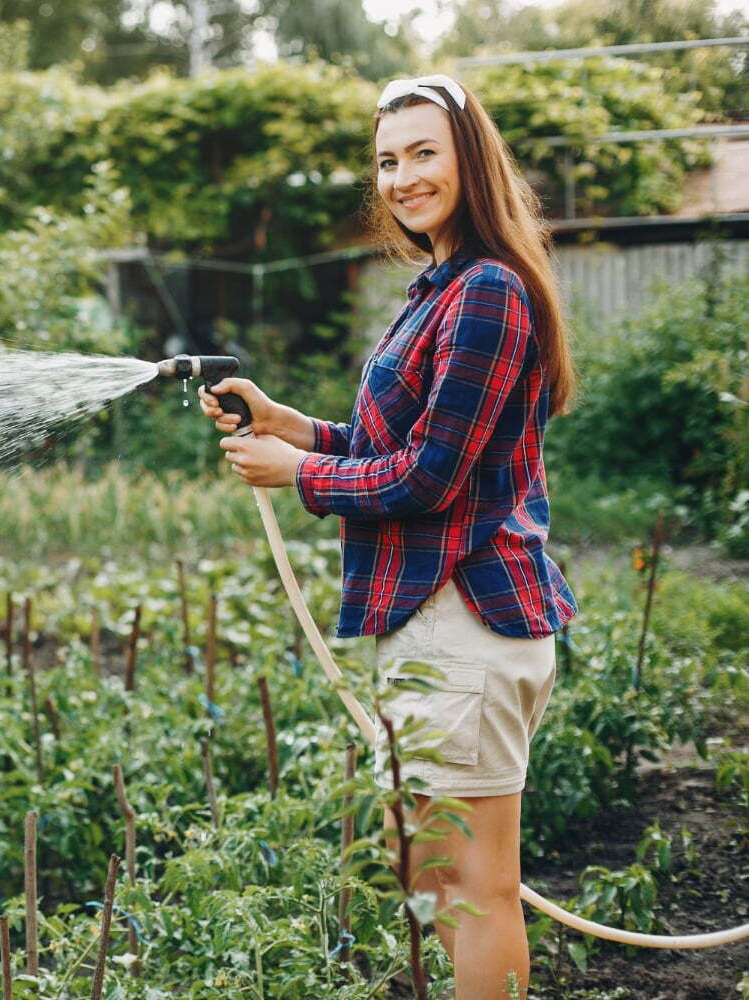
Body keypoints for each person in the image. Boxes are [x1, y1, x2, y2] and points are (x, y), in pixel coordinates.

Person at [197, 73, 578, 998]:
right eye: (387, 160)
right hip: (438, 620)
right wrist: (298, 429)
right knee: (437, 878)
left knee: (474, 888)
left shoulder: (487, 290)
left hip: (468, 617)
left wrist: (304, 478)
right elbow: (402, 447)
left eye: (423, 154)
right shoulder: (442, 285)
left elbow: (428, 479)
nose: (403, 176)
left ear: (469, 161)